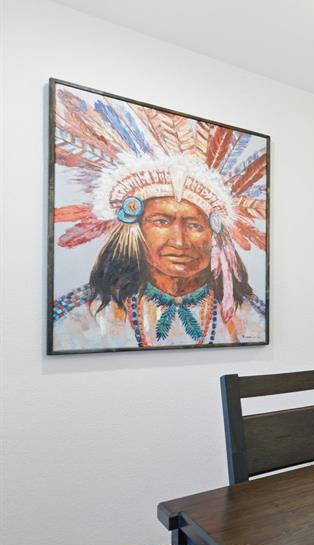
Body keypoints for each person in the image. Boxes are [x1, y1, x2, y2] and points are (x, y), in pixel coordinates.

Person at [50, 85, 267, 352]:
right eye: (162, 222)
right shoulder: (80, 319)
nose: (179, 241)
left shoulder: (253, 318)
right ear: (136, 228)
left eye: (194, 225)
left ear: (214, 235)